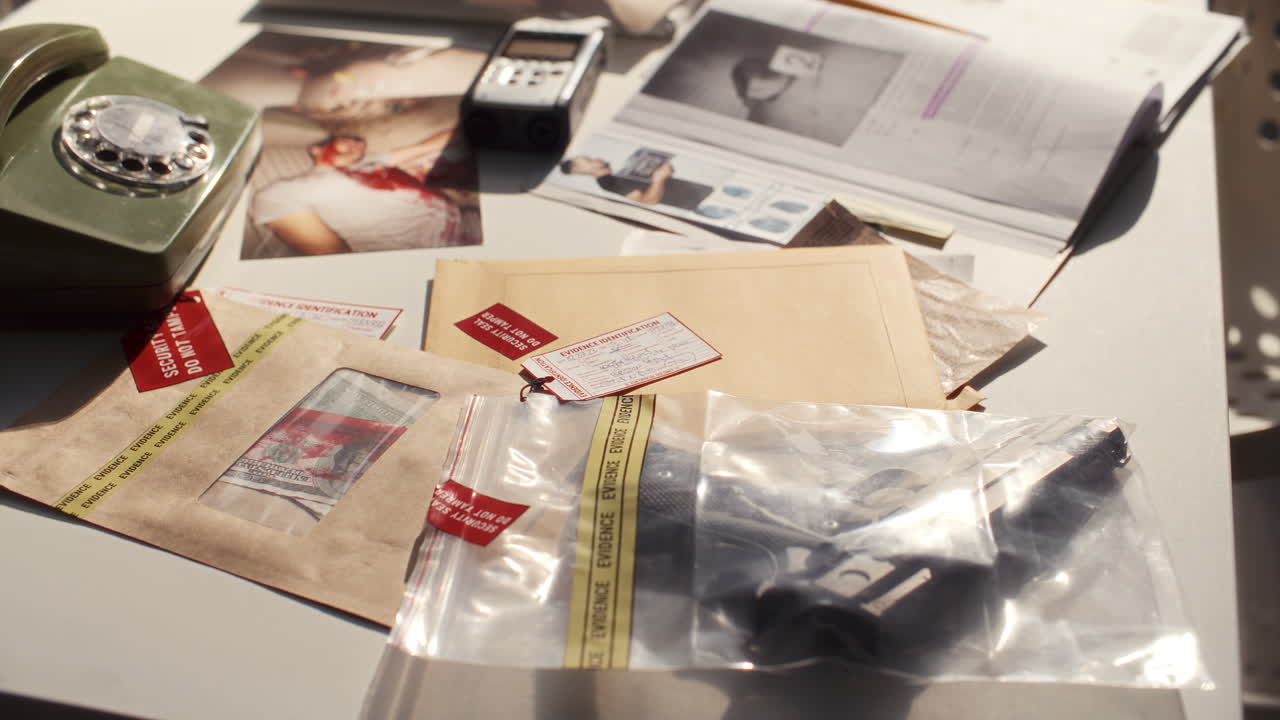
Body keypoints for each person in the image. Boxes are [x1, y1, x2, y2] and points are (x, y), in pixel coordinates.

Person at [250, 128, 479, 255]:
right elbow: (334, 259)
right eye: (347, 139)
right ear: (315, 149)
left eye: (361, 143)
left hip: (468, 220)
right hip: (440, 252)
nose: (358, 145)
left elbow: (425, 147)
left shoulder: (370, 163)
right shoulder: (281, 192)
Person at [558, 155, 713, 211]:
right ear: (580, 171)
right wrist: (659, 178)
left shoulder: (619, 174)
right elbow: (647, 201)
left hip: (698, 192)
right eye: (589, 160)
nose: (596, 158)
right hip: (695, 200)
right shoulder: (608, 184)